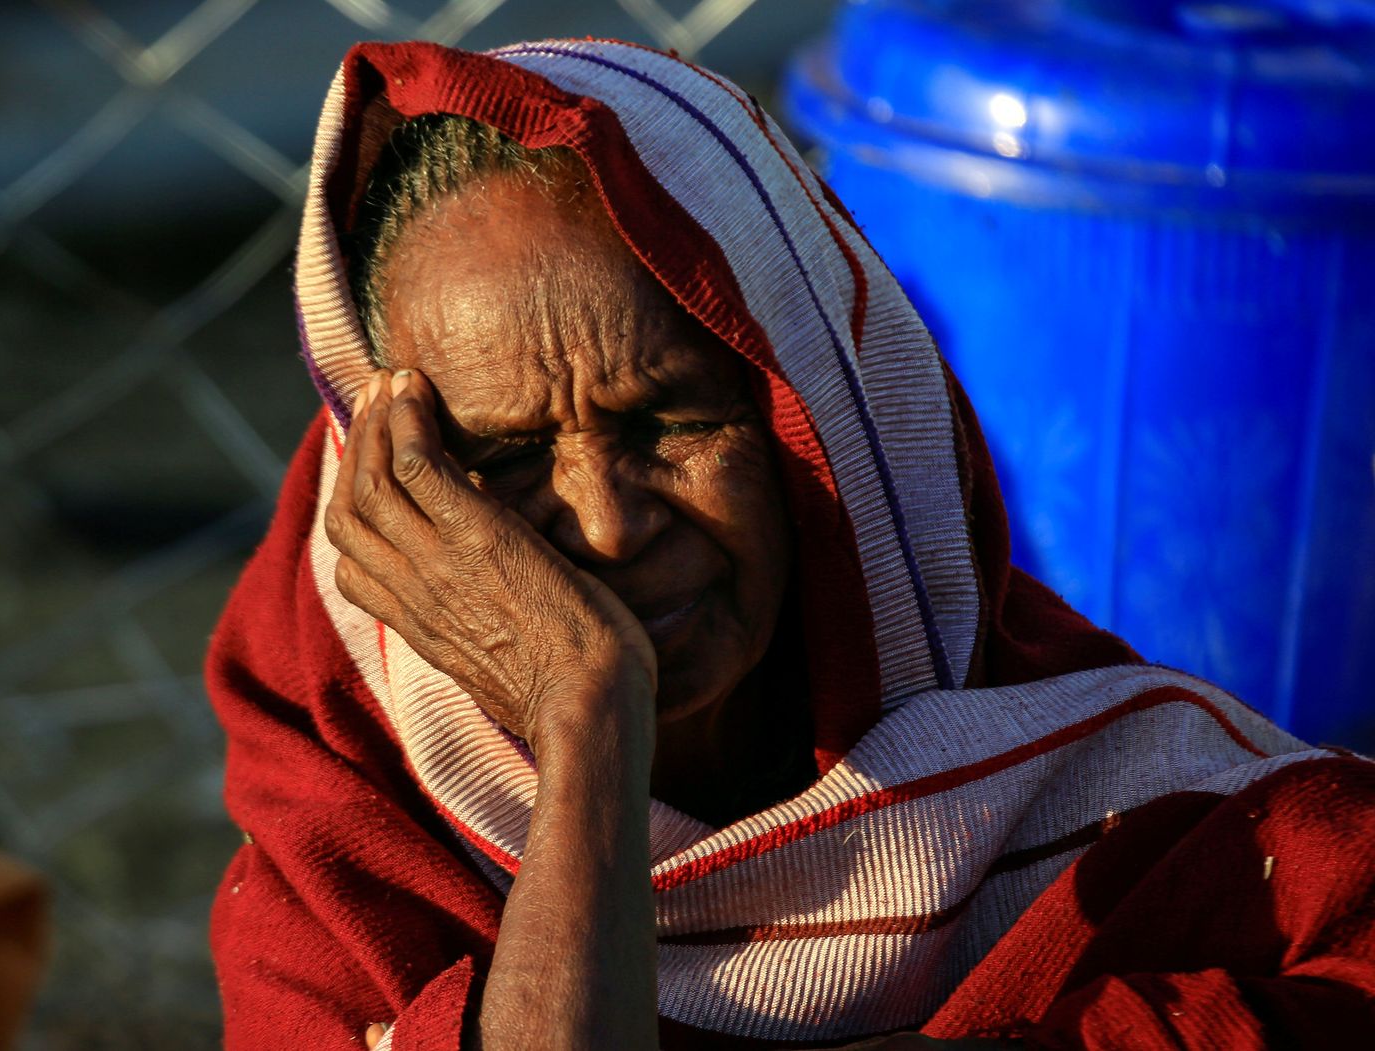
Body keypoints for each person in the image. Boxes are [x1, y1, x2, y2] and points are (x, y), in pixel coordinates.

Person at [205, 39, 1375, 1051]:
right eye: (504, 459)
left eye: (673, 421)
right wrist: (584, 715)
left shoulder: (1147, 824)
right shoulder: (348, 840)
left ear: (821, 421)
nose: (608, 521)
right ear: (397, 494)